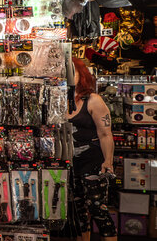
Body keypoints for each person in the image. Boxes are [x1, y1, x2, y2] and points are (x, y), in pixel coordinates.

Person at [68, 57, 116, 240]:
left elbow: (106, 134)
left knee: (97, 208)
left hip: (93, 161)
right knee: (77, 208)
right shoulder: (59, 99)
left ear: (82, 75)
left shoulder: (93, 100)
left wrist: (108, 161)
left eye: (72, 72)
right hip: (71, 162)